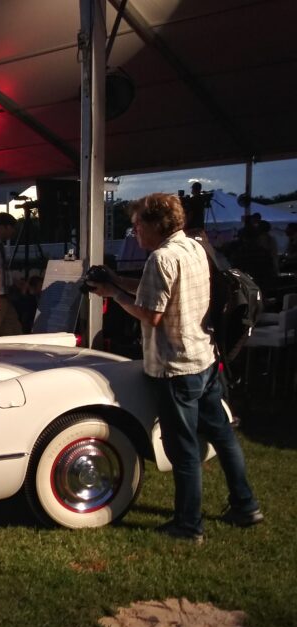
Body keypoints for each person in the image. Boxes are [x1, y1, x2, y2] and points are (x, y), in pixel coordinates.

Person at [87, 193, 263, 543]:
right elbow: (159, 292)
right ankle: (246, 505)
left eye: (138, 224)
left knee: (183, 450)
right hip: (205, 358)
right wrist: (117, 282)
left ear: (155, 224)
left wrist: (114, 296)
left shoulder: (161, 258)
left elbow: (152, 313)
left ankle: (188, 525)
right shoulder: (195, 247)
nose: (134, 231)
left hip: (176, 366)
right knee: (223, 435)